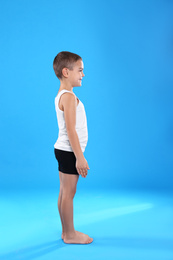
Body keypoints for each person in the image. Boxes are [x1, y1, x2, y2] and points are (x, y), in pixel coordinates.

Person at [53, 51, 93, 244]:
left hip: (63, 150)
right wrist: (80, 157)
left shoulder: (61, 95)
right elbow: (71, 129)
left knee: (64, 192)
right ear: (66, 72)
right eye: (80, 70)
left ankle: (65, 231)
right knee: (69, 193)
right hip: (69, 152)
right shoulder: (68, 97)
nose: (83, 74)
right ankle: (70, 234)